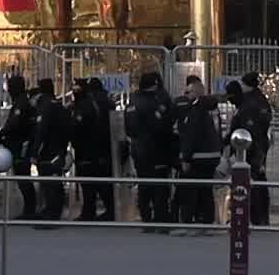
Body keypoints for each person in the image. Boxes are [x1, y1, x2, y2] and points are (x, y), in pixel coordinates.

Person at [124, 71, 175, 231]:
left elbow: (129, 129)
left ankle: (146, 218)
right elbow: (164, 125)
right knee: (159, 186)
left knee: (144, 184)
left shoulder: (133, 101)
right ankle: (160, 219)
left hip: (139, 149)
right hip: (157, 149)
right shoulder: (157, 101)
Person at [173, 75, 221, 230]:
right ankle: (207, 222)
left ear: (195, 94)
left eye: (188, 92)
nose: (185, 95)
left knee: (190, 190)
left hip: (197, 156)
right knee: (206, 190)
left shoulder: (195, 110)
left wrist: (185, 158)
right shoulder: (212, 109)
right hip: (213, 155)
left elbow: (191, 136)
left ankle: (187, 223)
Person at [230, 72, 275, 226]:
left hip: (251, 149)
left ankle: (256, 216)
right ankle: (261, 216)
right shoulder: (261, 100)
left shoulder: (250, 104)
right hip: (260, 147)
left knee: (252, 182)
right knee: (259, 182)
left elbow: (250, 130)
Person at [29, 79, 73, 223]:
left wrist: (34, 152)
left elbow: (41, 131)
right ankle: (53, 211)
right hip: (59, 148)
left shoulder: (44, 107)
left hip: (48, 150)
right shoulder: (59, 105)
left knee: (49, 183)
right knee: (55, 182)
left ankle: (51, 213)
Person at [72, 77, 116, 221]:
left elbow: (79, 127)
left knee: (89, 181)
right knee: (104, 180)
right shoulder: (108, 101)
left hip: (87, 147)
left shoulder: (87, 103)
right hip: (107, 146)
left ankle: (89, 211)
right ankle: (110, 210)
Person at [0, 74, 37, 219]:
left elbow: (14, 124)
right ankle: (29, 209)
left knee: (23, 178)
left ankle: (30, 210)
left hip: (21, 145)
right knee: (22, 178)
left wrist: (1, 134)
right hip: (18, 144)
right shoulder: (20, 102)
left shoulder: (22, 103)